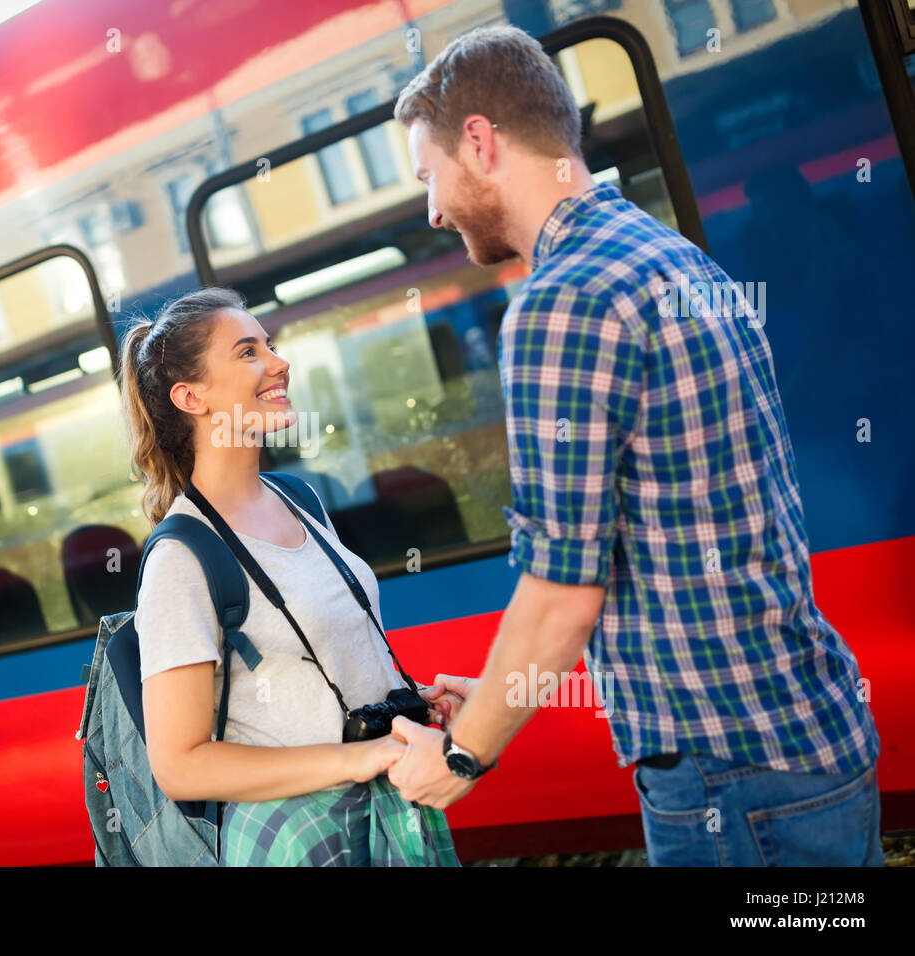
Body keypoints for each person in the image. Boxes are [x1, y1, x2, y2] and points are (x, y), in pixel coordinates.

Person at [384, 25, 882, 867]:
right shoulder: (672, 258)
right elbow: (674, 562)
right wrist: (496, 697)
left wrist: (464, 752)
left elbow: (562, 596)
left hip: (731, 783)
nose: (431, 210)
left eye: (429, 176)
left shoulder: (562, 303)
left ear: (480, 140)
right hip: (808, 735)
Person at [121, 286, 459, 867]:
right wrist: (361, 757)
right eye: (248, 352)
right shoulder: (182, 556)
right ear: (190, 396)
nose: (279, 363)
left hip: (385, 815)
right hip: (301, 840)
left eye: (270, 346)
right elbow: (180, 765)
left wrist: (404, 708)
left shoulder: (299, 499)